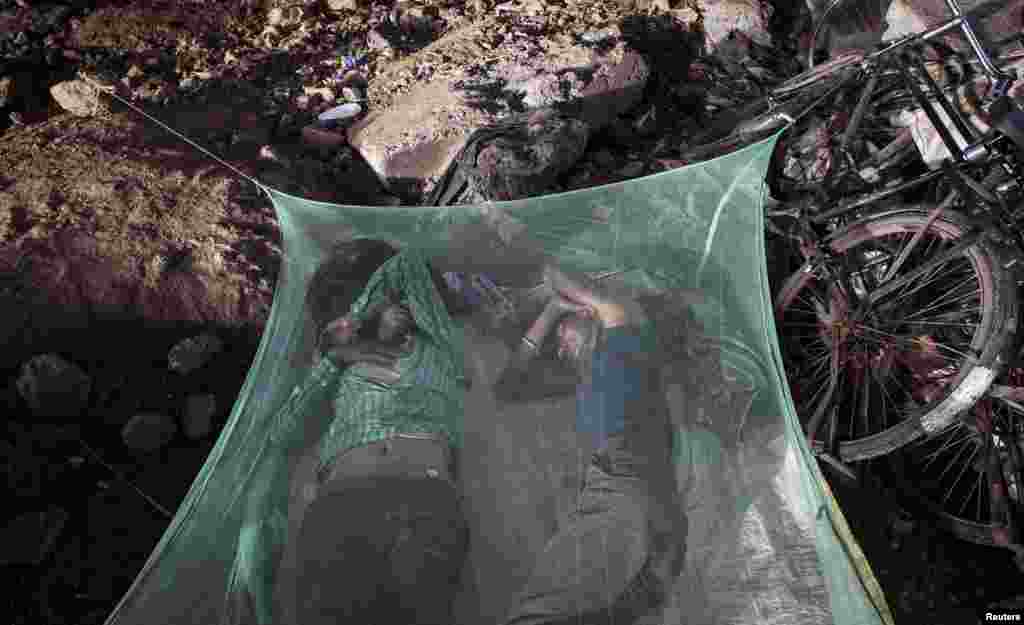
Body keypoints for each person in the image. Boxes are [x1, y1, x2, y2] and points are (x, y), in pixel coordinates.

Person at [231, 239, 471, 625]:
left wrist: (368, 313)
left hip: (423, 502)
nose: (402, 305)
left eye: (402, 297)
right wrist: (336, 359)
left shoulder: (442, 346)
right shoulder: (343, 363)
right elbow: (284, 432)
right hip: (344, 500)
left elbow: (408, 264)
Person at [494, 265, 688, 625]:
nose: (560, 346)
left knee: (534, 615)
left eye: (562, 335)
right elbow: (508, 386)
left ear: (587, 314)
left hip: (625, 487)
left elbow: (556, 271)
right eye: (556, 345)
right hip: (654, 511)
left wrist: (559, 298)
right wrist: (554, 312)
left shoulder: (624, 342)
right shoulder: (584, 378)